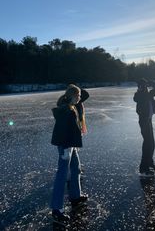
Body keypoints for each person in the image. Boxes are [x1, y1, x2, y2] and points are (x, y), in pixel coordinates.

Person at [50, 84, 89, 223]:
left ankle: (75, 195)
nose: (80, 98)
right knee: (62, 175)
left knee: (76, 168)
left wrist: (76, 90)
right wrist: (66, 148)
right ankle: (57, 209)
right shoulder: (66, 110)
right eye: (77, 95)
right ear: (72, 96)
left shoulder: (73, 106)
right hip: (65, 145)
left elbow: (84, 95)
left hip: (71, 144)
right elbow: (62, 130)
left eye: (79, 95)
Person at [133, 78, 155, 177]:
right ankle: (143, 168)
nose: (143, 87)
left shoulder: (148, 94)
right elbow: (137, 98)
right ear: (139, 87)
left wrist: (152, 82)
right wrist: (143, 88)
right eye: (141, 86)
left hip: (148, 121)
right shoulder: (140, 95)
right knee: (148, 144)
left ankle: (149, 163)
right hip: (144, 122)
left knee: (151, 144)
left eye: (144, 85)